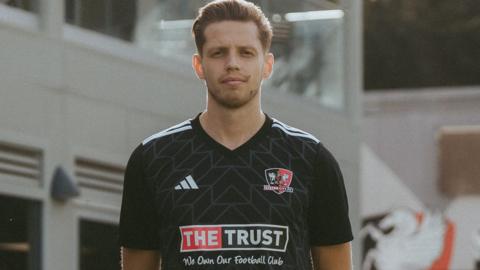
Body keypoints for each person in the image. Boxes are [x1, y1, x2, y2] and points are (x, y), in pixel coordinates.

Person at [118, 0, 353, 269]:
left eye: (246, 53)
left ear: (267, 65)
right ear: (199, 65)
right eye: (219, 53)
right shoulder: (154, 159)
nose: (232, 64)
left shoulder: (310, 160)